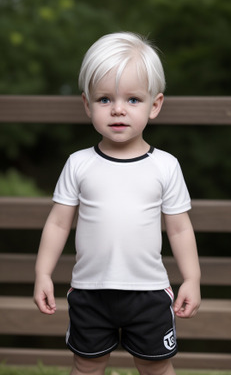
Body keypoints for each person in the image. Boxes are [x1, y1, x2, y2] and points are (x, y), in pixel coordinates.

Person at [34, 32, 201, 375]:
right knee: (86, 365)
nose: (119, 109)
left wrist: (192, 278)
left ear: (155, 105)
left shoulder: (165, 166)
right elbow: (58, 223)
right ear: (87, 104)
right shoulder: (79, 164)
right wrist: (42, 273)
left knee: (155, 367)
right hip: (90, 292)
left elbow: (180, 227)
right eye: (105, 99)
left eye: (133, 100)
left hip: (149, 292)